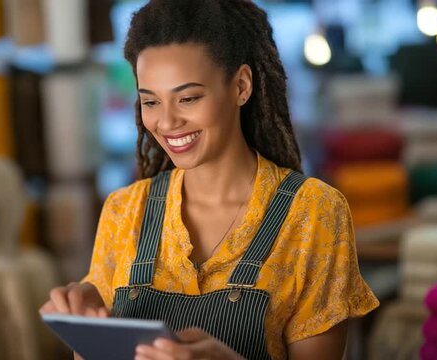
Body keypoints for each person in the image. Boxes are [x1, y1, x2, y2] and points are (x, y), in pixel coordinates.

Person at [40, 0, 379, 359]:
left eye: (188, 98)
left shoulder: (313, 213)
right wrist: (88, 327)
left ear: (241, 86)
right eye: (150, 102)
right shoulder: (124, 211)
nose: (167, 123)